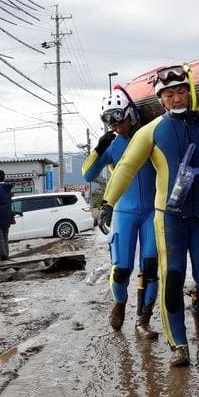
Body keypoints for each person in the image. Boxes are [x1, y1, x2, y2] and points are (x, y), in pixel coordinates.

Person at [99, 65, 199, 368]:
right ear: (161, 99)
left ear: (189, 92)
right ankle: (178, 345)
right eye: (169, 94)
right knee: (172, 278)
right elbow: (126, 167)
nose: (176, 98)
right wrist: (108, 202)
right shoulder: (152, 130)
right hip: (170, 218)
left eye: (181, 91)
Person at [82, 87, 159, 339]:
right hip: (124, 212)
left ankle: (143, 320)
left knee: (150, 266)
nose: (115, 127)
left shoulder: (149, 137)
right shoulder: (113, 145)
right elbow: (88, 174)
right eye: (110, 124)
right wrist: (98, 149)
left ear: (131, 115)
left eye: (119, 121)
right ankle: (120, 301)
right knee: (122, 268)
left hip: (151, 211)